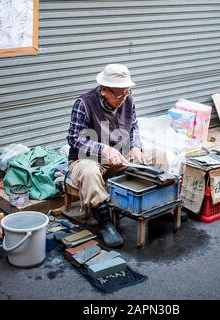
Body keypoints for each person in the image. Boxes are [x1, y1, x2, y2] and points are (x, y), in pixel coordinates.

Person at [66, 64, 167, 247]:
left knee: (158, 156)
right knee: (89, 172)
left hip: (119, 157)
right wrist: (103, 149)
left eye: (126, 92)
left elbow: (134, 126)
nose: (123, 98)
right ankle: (106, 224)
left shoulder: (127, 99)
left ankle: (157, 209)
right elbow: (74, 139)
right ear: (104, 90)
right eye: (119, 94)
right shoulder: (83, 104)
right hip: (87, 160)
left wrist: (136, 146)